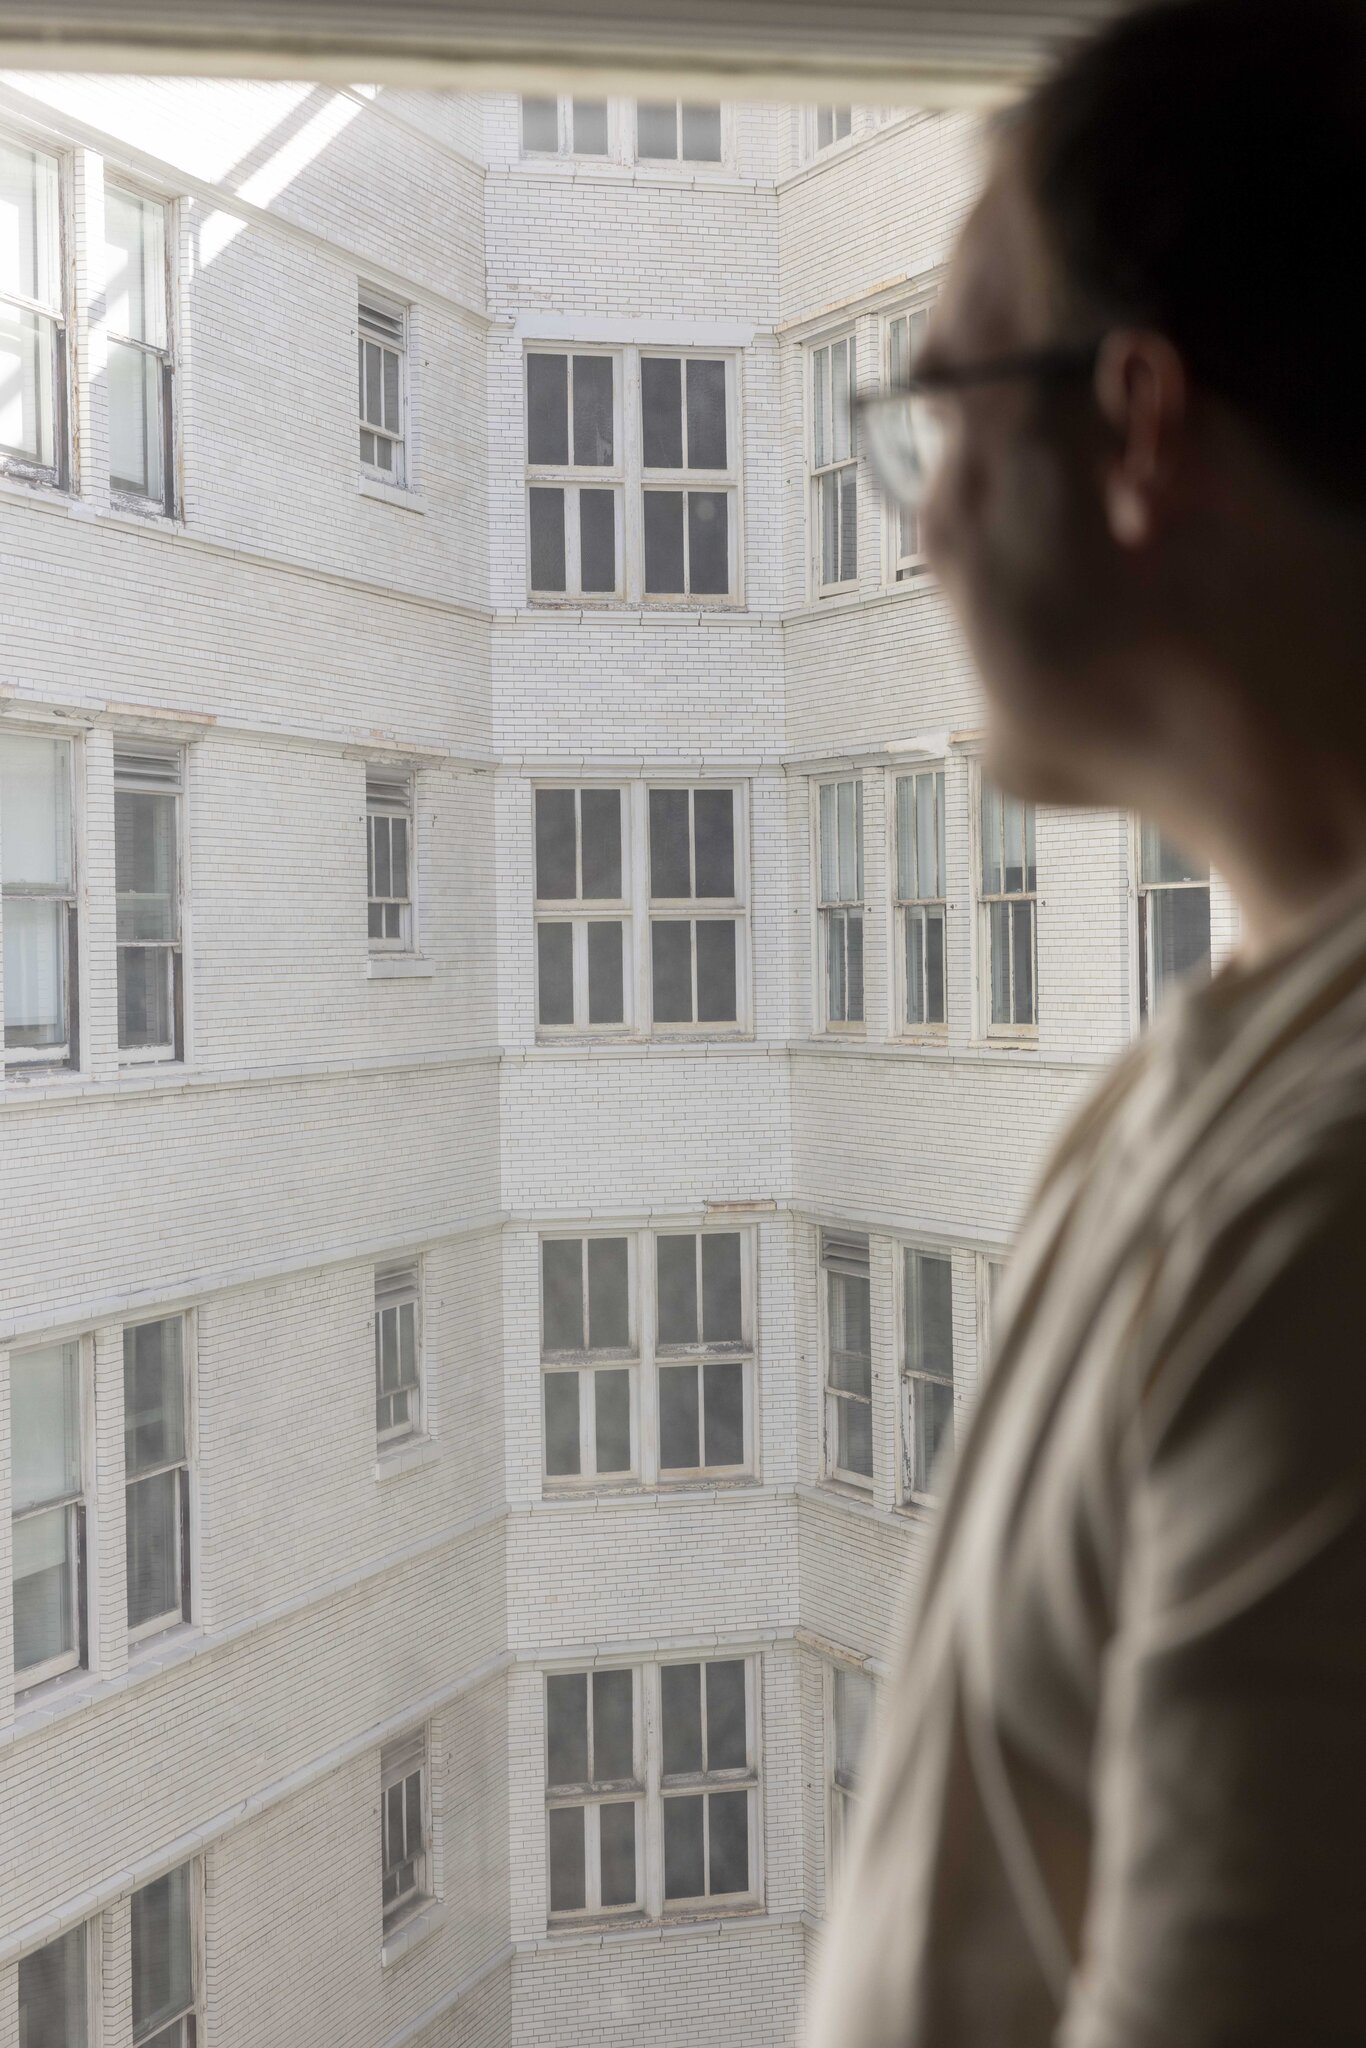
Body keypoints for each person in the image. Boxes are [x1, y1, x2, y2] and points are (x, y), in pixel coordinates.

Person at [808, 0, 1366, 2042]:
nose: (920, 512)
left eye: (944, 404)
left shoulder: (1329, 1211)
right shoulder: (1219, 1081)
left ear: (1134, 425)